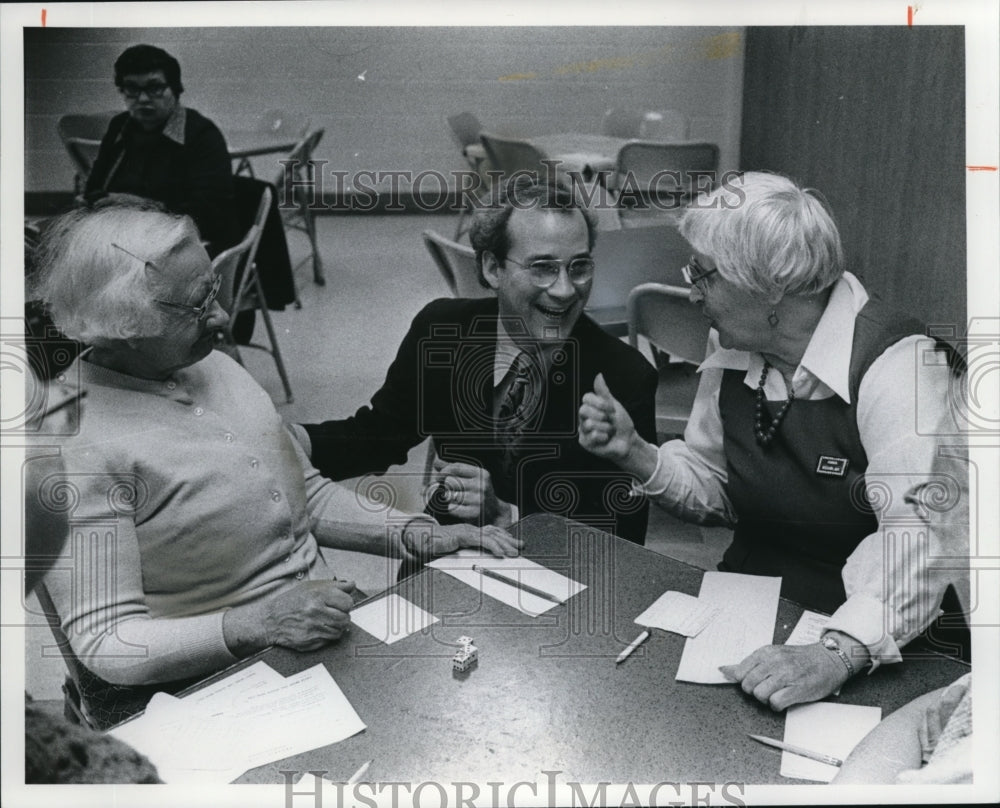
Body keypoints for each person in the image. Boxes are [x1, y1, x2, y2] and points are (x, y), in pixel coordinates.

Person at [28, 197, 520, 698]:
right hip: (217, 683)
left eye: (213, 291)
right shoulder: (71, 444)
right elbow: (107, 643)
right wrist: (258, 623)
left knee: (484, 679)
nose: (221, 317)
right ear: (123, 323)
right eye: (197, 306)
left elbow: (306, 497)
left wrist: (418, 533)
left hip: (315, 634)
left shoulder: (212, 367)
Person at [578, 171, 965, 709]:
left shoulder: (901, 367)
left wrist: (837, 653)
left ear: (772, 286)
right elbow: (718, 487)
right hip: (754, 605)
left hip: (883, 634)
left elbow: (920, 544)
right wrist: (636, 453)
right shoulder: (735, 343)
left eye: (704, 275)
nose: (691, 293)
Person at [294, 176, 657, 545]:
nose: (565, 290)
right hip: (452, 560)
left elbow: (623, 535)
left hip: (561, 580)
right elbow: (378, 437)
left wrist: (506, 514)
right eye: (543, 268)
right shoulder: (442, 330)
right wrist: (291, 440)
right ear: (491, 269)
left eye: (578, 267)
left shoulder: (624, 377)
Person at [84, 44, 239, 255]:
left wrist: (142, 207)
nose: (143, 99)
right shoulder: (120, 127)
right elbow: (94, 187)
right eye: (132, 89)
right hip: (120, 239)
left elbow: (210, 216)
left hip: (181, 246)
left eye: (154, 88)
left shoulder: (202, 135)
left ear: (174, 89)